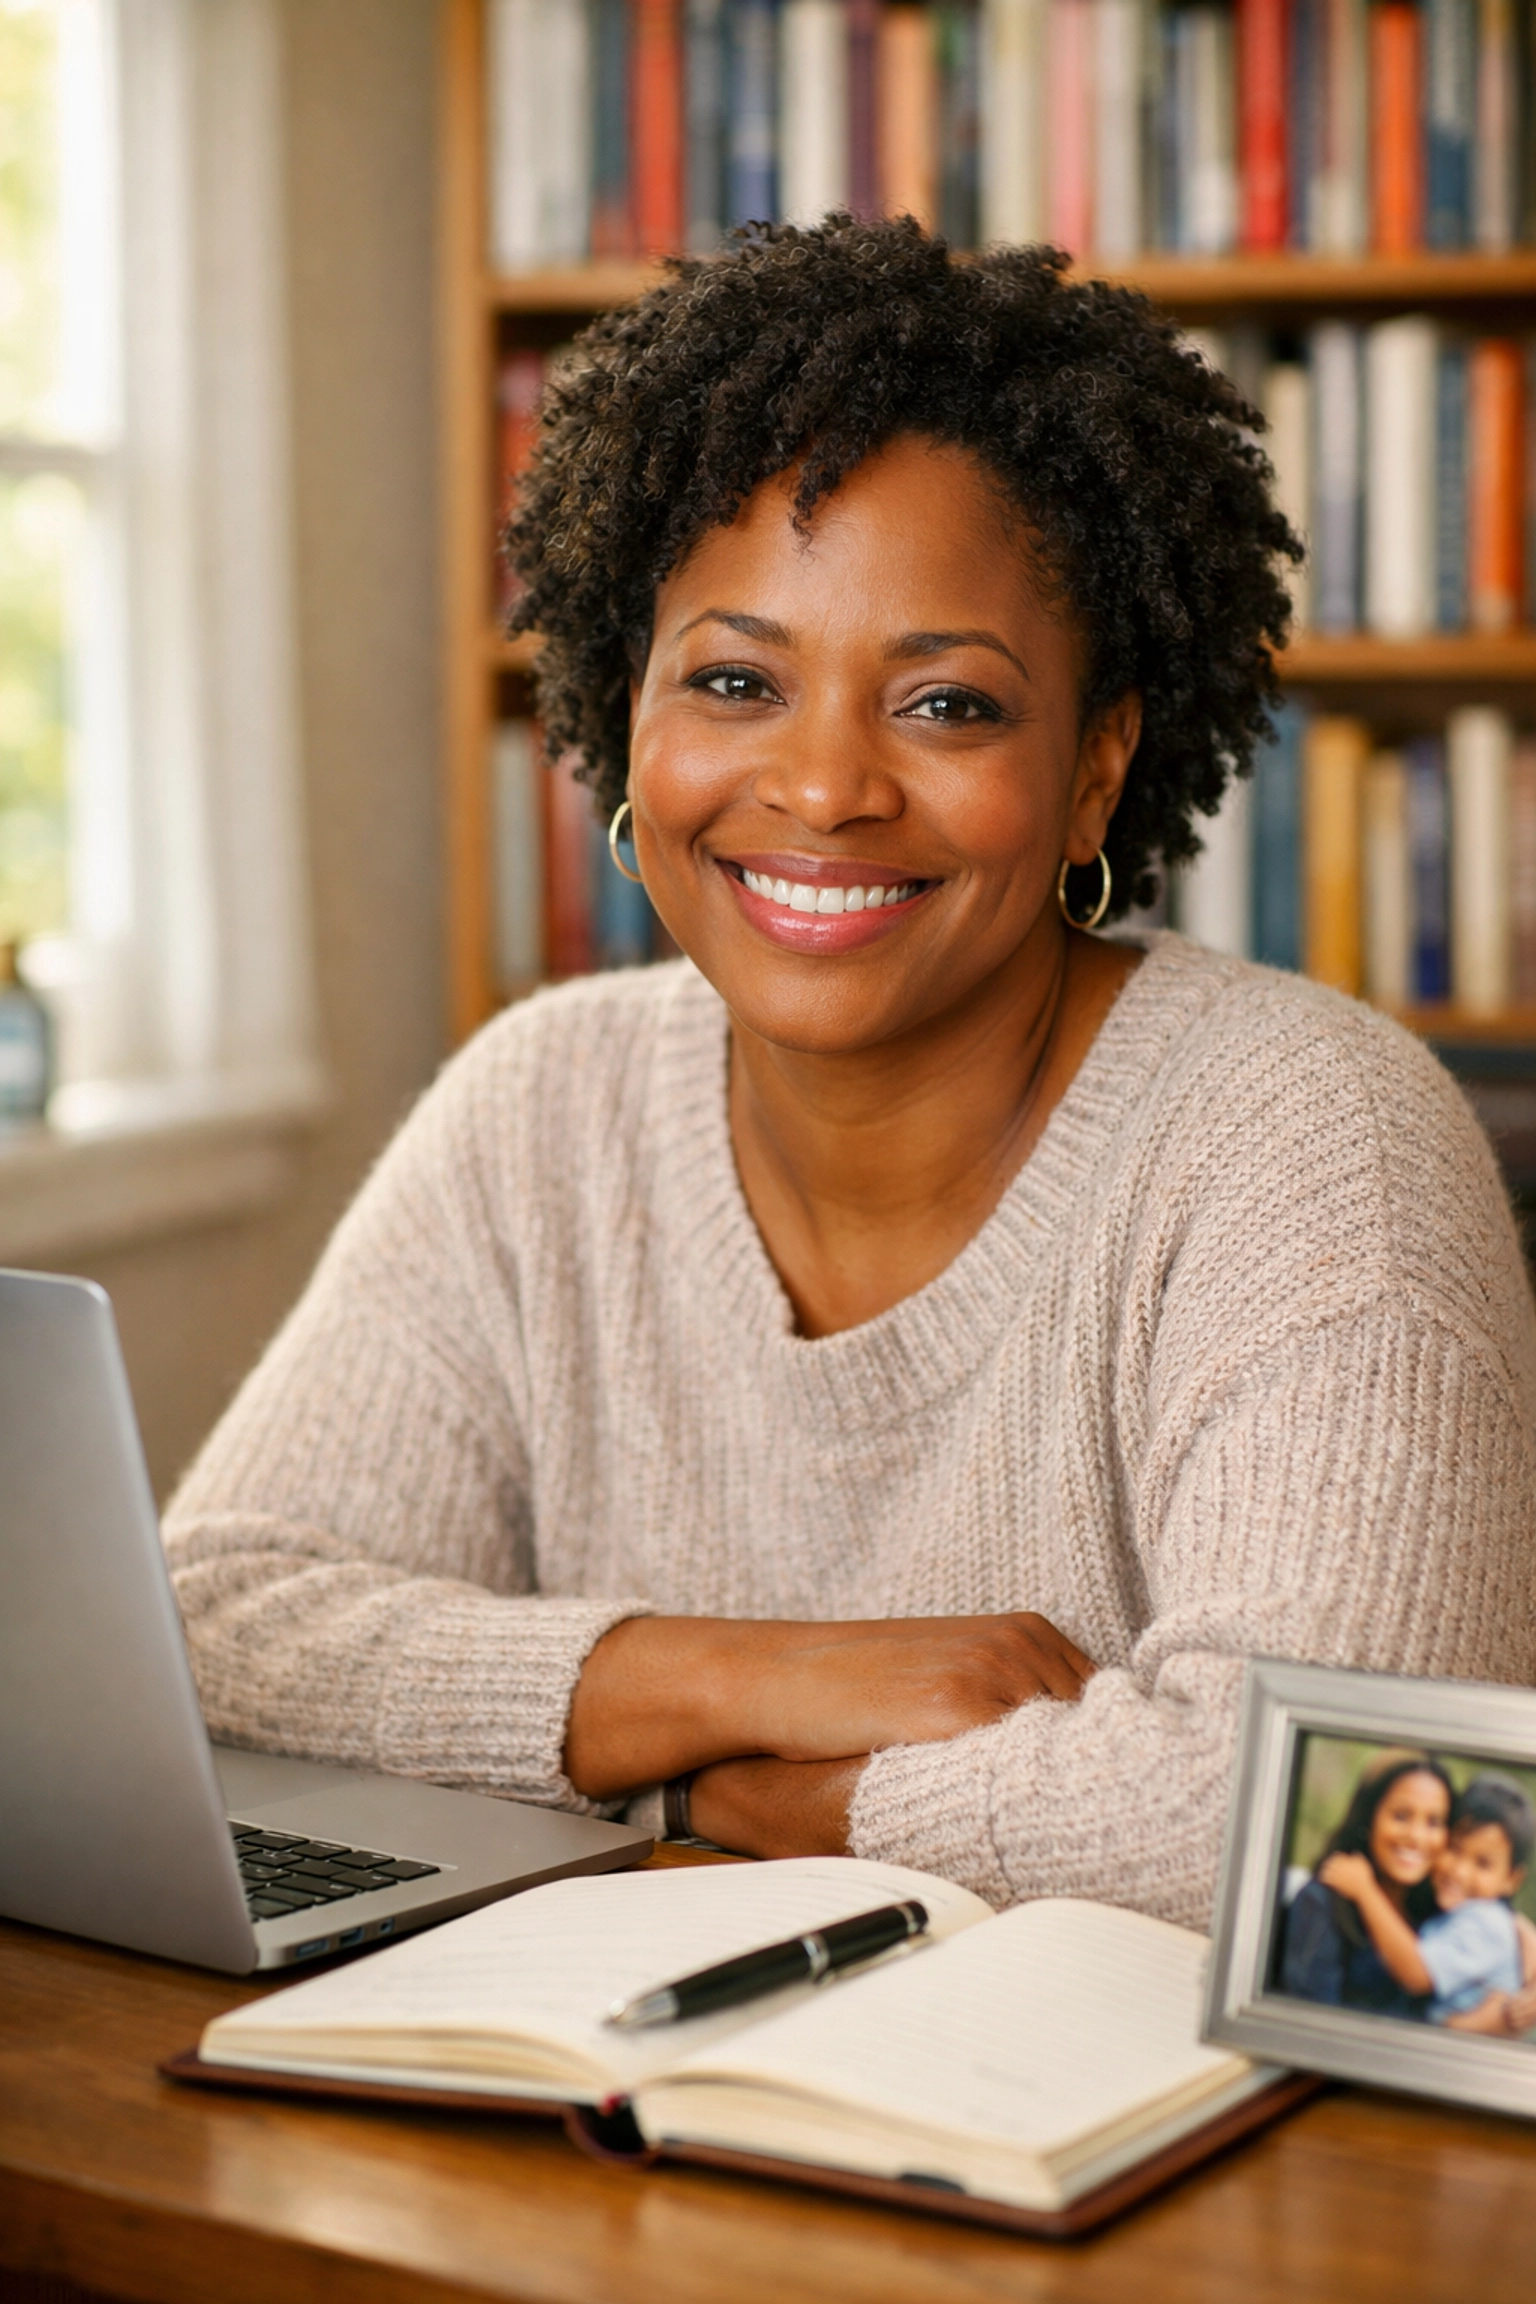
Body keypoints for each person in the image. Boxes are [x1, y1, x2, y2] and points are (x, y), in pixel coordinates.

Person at [162, 219, 1536, 1928]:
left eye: (947, 705)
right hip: (624, 2116)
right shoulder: (541, 1102)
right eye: (734, 679)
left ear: (1097, 766)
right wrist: (747, 1680)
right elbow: (213, 1614)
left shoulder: (1315, 1138)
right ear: (619, 715)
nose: (821, 788)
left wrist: (766, 1796)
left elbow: (1364, 1829)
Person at [1318, 1773, 1536, 2036]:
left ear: (1512, 1879)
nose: (1460, 1871)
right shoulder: (1453, 1905)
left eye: (1483, 1864)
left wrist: (1365, 1891)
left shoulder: (1484, 1922)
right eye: (1454, 1849)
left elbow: (1417, 1974)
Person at [1279, 1758, 1452, 2016]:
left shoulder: (1438, 1916)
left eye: (1433, 1822)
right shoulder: (1322, 1902)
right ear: (1370, 1819)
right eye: (1401, 1816)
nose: (1416, 1837)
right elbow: (1310, 2024)